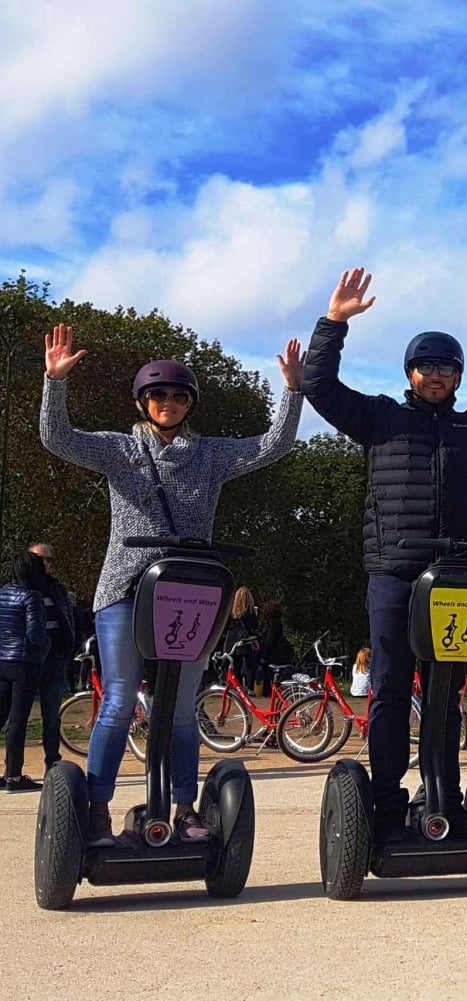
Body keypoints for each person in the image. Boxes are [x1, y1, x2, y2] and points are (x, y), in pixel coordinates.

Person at [301, 268, 467, 844]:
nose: (436, 376)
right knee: (391, 686)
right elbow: (318, 386)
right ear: (410, 373)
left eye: (447, 368)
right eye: (426, 366)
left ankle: (441, 788)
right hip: (394, 569)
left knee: (446, 687)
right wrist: (334, 323)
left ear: (459, 376)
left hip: (459, 575)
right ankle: (389, 796)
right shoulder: (379, 418)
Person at [39, 322, 303, 844]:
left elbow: (274, 445)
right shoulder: (119, 450)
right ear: (142, 402)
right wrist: (55, 382)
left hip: (190, 591)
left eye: (179, 396)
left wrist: (293, 392)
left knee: (182, 708)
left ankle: (184, 808)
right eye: (157, 394)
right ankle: (96, 809)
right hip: (125, 588)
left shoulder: (209, 455)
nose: (168, 402)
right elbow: (58, 439)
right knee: (118, 700)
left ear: (190, 404)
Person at [1, 552, 51, 791]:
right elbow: (35, 634)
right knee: (18, 721)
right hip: (24, 662)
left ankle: (9, 775)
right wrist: (47, 646)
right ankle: (13, 776)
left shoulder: (2, 593)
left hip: (1, 659)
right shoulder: (32, 596)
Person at [29, 543, 75, 771]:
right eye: (39, 559)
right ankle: (12, 769)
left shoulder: (57, 589)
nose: (45, 564)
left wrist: (67, 648)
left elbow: (67, 619)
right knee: (16, 716)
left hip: (54, 659)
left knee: (51, 716)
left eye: (48, 560)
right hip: (25, 661)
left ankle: (52, 764)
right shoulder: (20, 588)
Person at [220, 586, 260, 688]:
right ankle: (250, 688)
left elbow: (226, 625)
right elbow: (255, 626)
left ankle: (236, 687)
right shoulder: (250, 612)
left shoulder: (232, 611)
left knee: (235, 665)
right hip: (246, 639)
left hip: (233, 640)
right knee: (250, 665)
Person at [256, 600, 294, 696]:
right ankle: (271, 691)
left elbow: (270, 639)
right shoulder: (277, 622)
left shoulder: (271, 623)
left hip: (272, 652)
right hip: (277, 651)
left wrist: (264, 653)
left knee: (267, 672)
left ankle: (268, 692)